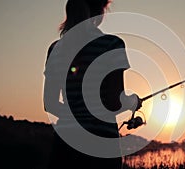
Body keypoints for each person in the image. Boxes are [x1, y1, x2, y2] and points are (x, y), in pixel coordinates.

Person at [43, 0, 142, 169]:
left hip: (64, 142)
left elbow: (50, 104)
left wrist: (76, 117)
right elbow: (113, 102)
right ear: (99, 12)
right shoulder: (112, 45)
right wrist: (133, 102)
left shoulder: (55, 49)